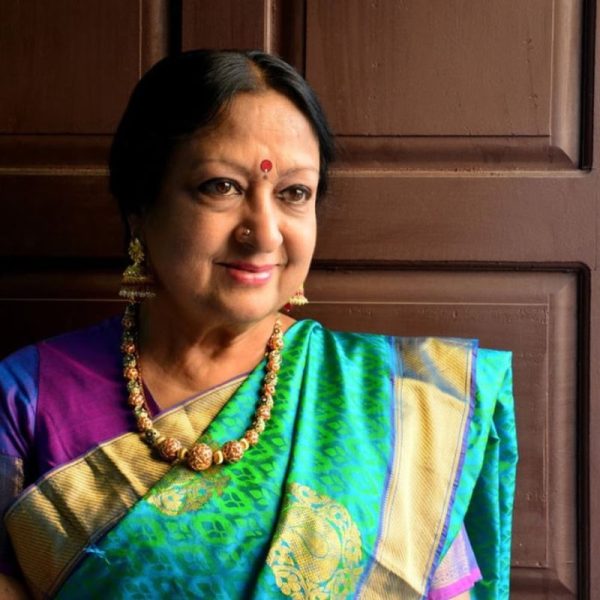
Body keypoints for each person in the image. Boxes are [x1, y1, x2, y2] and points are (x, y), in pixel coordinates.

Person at [0, 50, 517, 599]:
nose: (265, 233)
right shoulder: (28, 398)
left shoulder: (393, 405)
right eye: (221, 187)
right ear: (141, 208)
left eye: (294, 193)